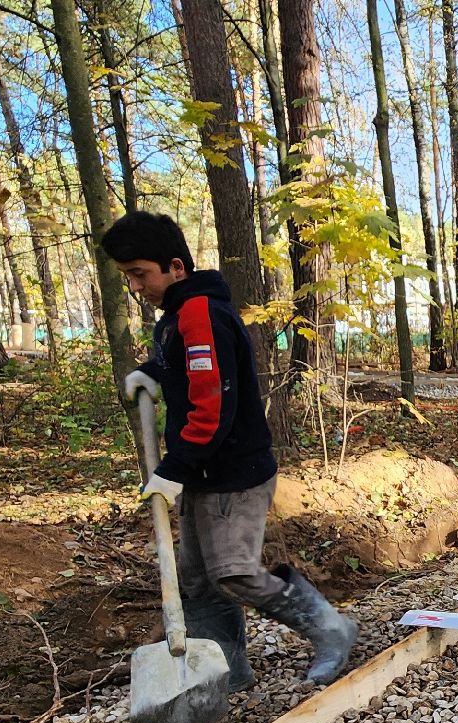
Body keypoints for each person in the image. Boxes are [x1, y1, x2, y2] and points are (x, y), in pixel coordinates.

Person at [101, 210, 358, 691]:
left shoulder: (201, 313)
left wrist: (174, 467)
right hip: (204, 471)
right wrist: (152, 373)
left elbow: (212, 406)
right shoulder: (179, 315)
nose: (135, 286)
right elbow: (185, 369)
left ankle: (331, 629)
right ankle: (226, 675)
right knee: (198, 582)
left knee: (233, 573)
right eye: (128, 276)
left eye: (140, 273)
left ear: (175, 267)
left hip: (234, 474)